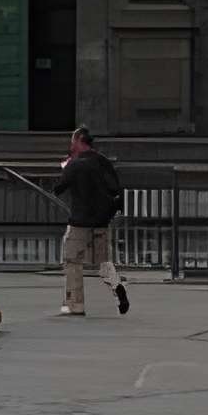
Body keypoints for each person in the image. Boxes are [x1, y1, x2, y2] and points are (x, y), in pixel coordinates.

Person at [51, 125, 128, 317]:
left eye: (72, 141)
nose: (71, 145)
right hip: (102, 220)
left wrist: (65, 167)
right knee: (103, 261)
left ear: (79, 141)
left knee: (72, 260)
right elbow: (116, 189)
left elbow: (59, 187)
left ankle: (74, 305)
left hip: (80, 221)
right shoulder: (103, 161)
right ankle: (117, 285)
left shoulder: (75, 164)